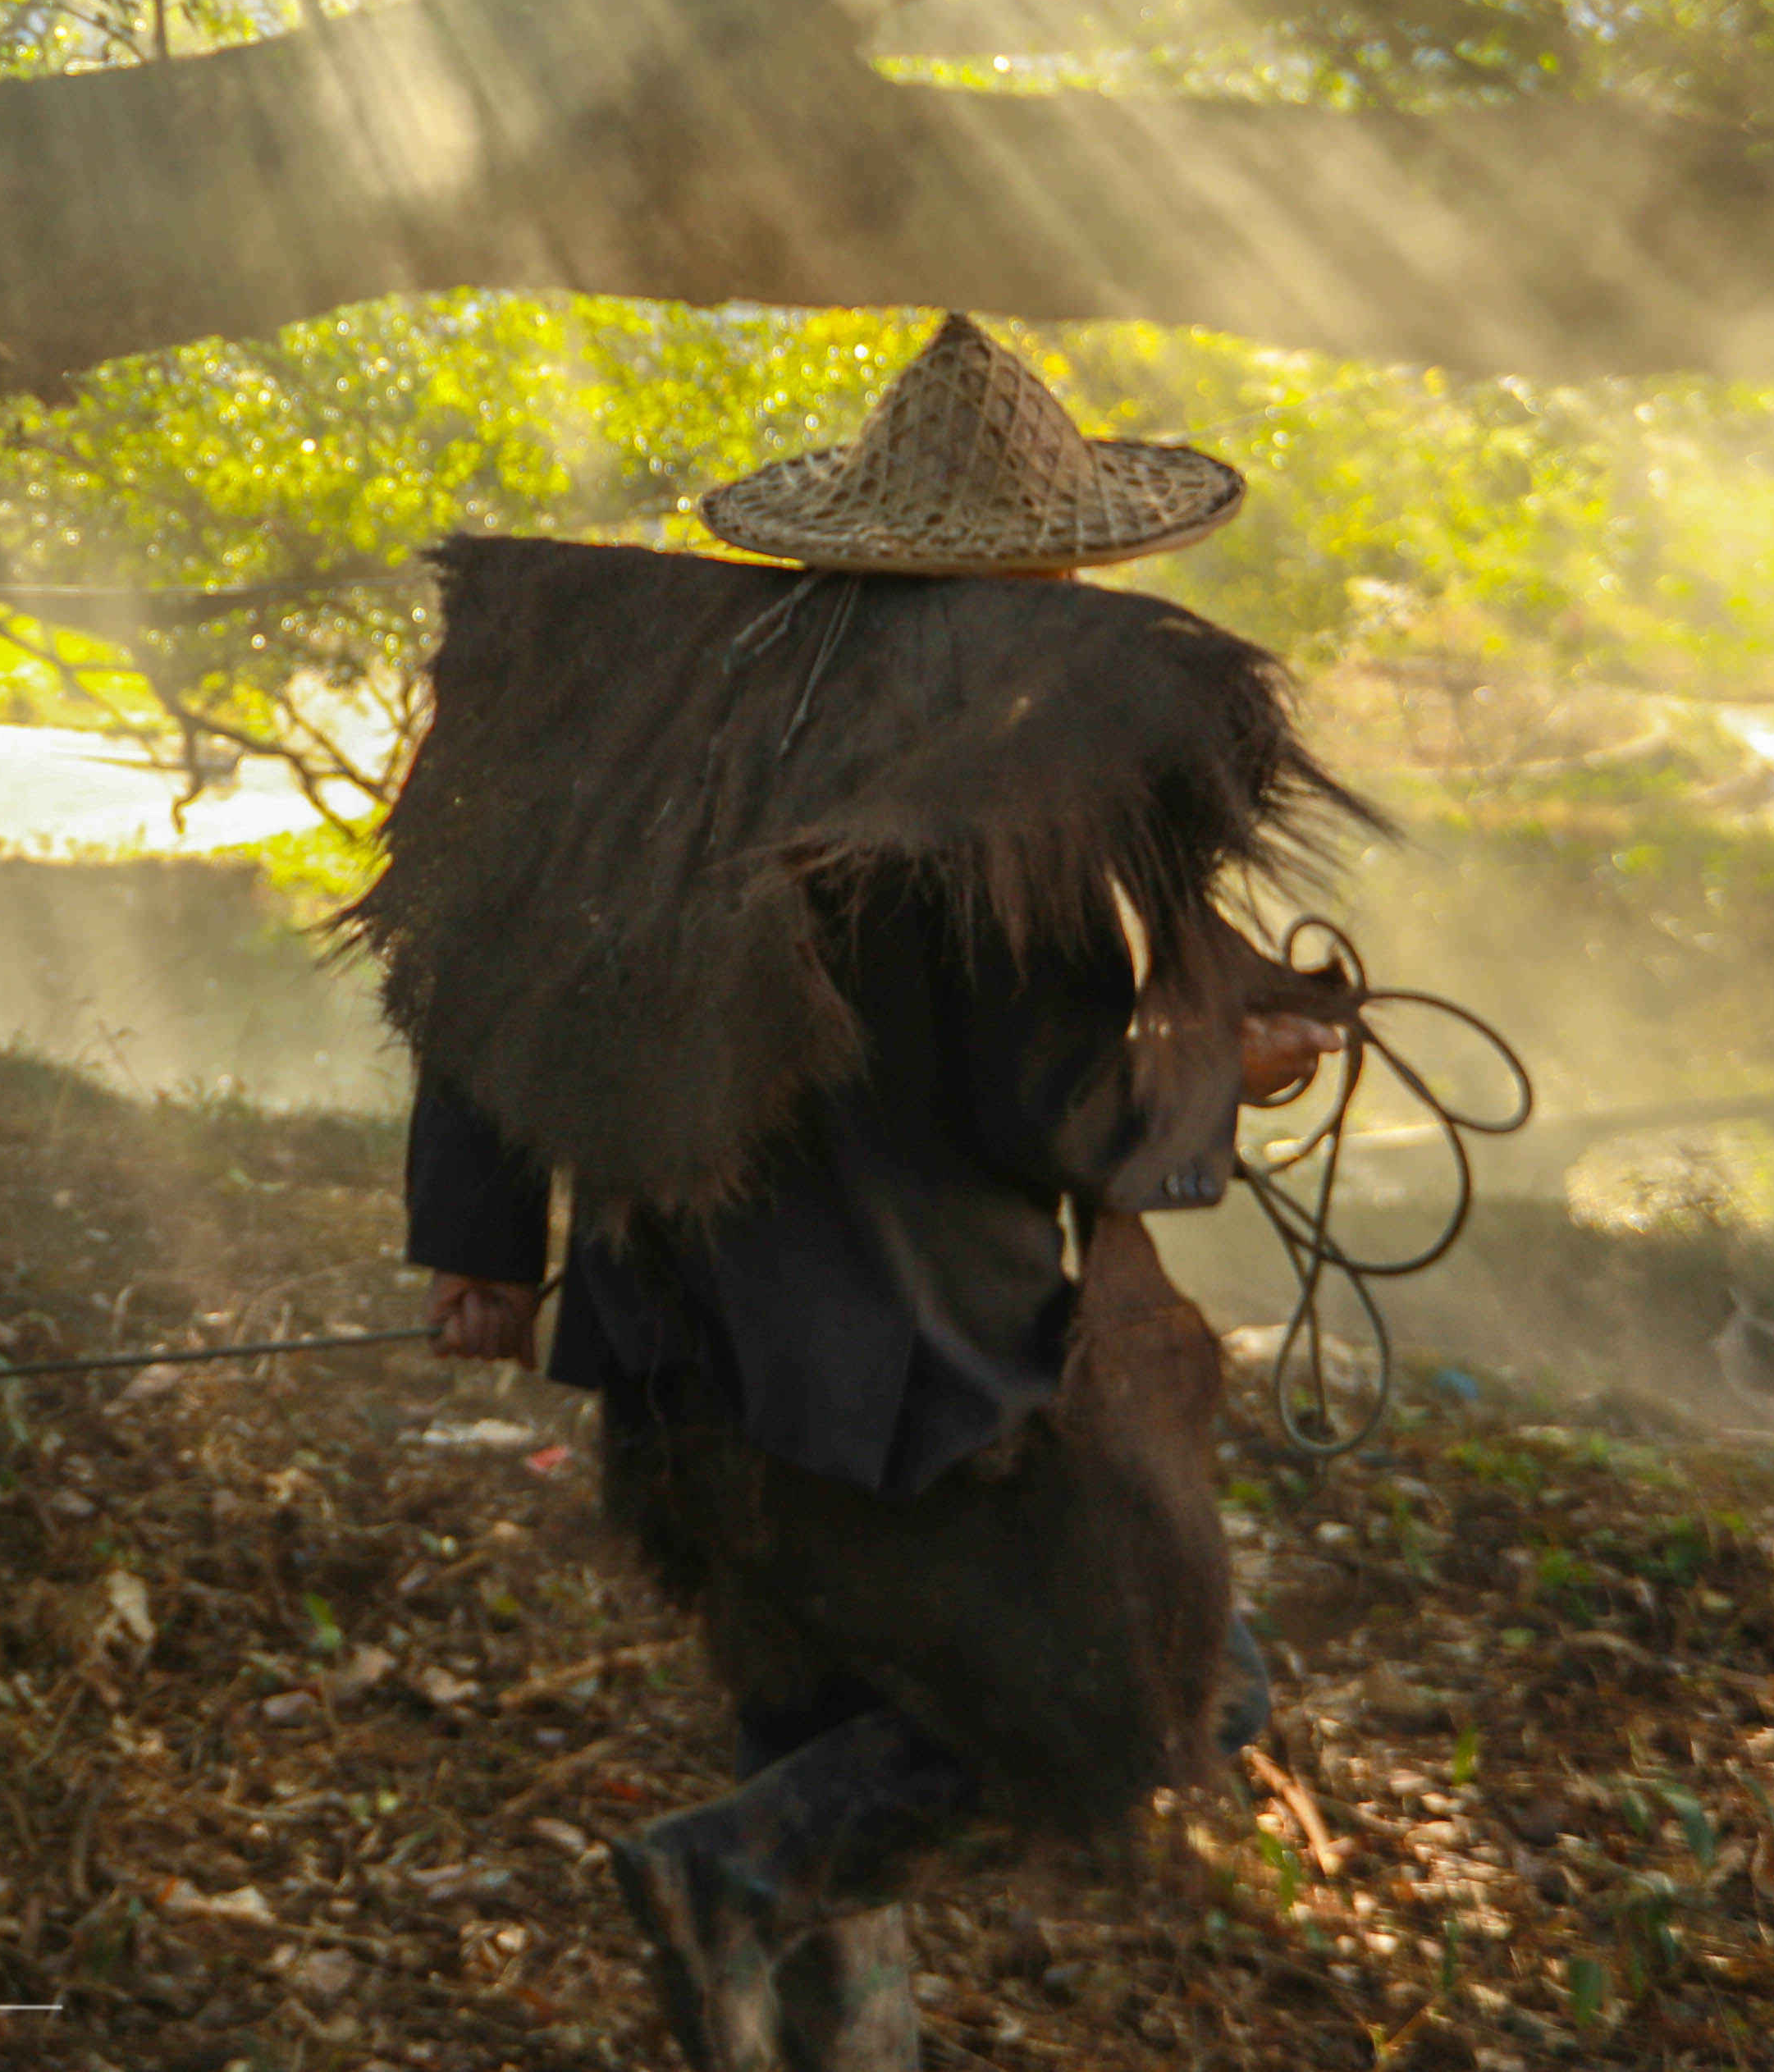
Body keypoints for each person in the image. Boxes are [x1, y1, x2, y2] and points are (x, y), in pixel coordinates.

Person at [363, 320, 1362, 2072]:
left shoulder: (695, 709)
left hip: (681, 1375)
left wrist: (480, 1239)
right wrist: (1221, 1074)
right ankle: (723, 1880)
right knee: (1174, 1685)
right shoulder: (1009, 765)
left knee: (823, 1737)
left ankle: (805, 1984)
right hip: (908, 1395)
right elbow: (1047, 1107)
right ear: (1054, 558)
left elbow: (492, 956)